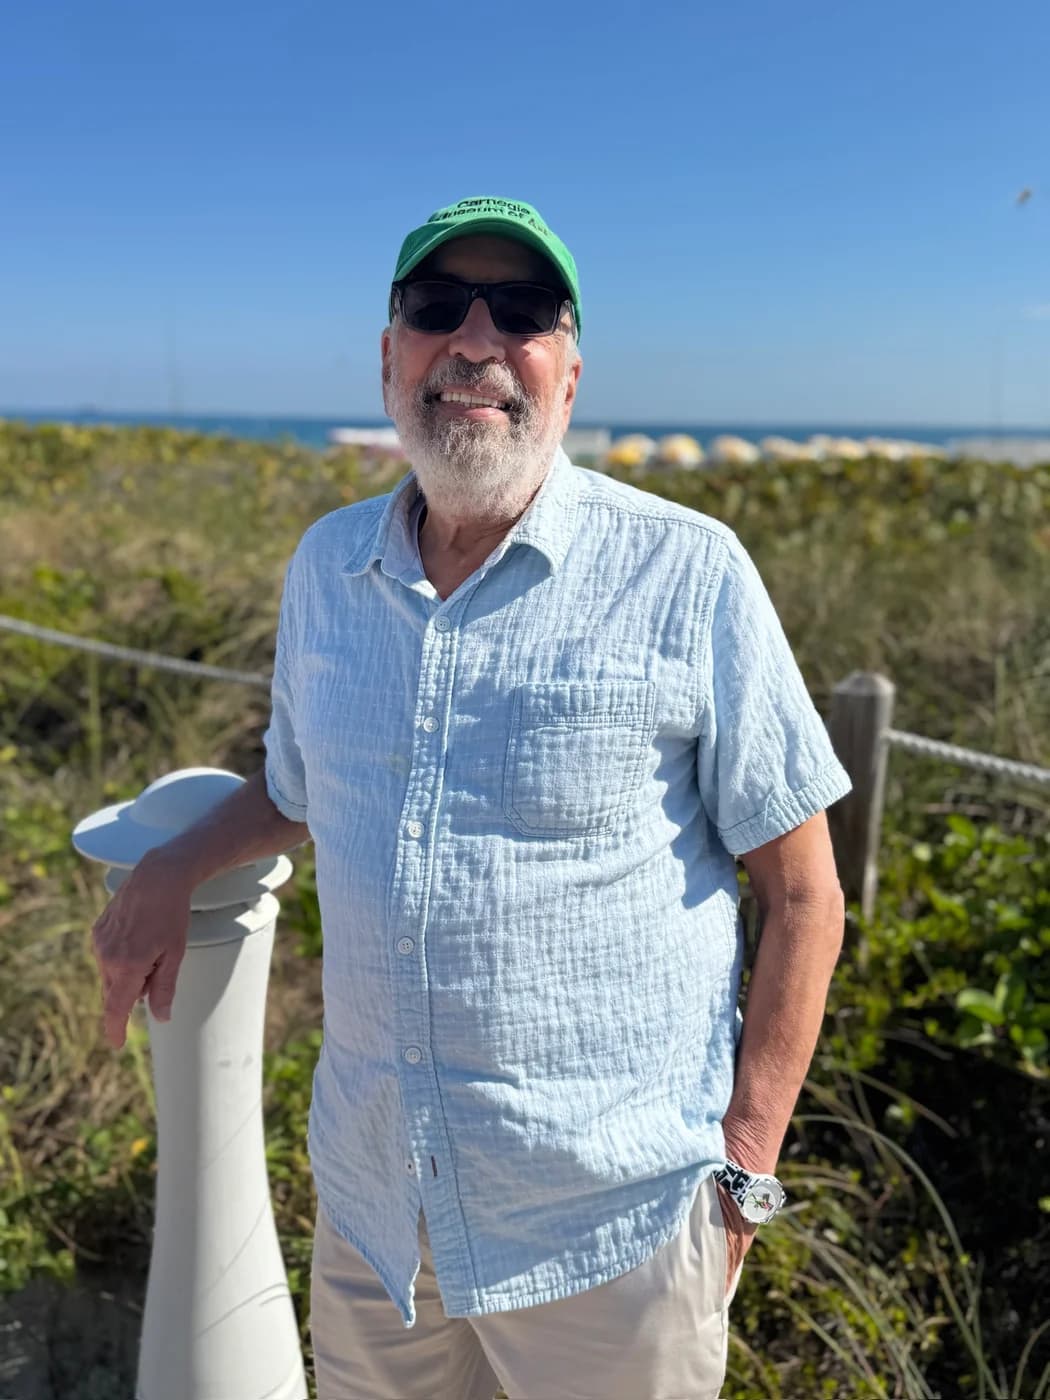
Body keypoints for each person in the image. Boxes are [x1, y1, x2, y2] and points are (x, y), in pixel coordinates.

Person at [92, 195, 852, 1400]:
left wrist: (746, 1166)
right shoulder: (328, 567)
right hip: (377, 1220)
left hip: (611, 1234)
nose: (476, 341)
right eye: (438, 307)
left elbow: (804, 893)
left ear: (569, 369)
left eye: (523, 311)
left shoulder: (688, 570)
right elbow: (297, 786)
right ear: (389, 357)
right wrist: (175, 861)